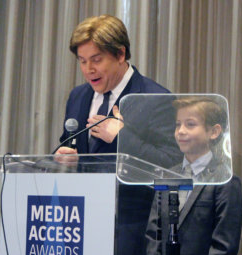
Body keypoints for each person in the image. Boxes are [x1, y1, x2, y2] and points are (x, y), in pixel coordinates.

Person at [56, 14, 181, 254]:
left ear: (120, 54)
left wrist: (122, 137)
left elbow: (170, 162)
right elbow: (70, 140)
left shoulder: (155, 98)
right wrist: (68, 156)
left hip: (131, 229)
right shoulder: (78, 95)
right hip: (81, 219)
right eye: (82, 61)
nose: (88, 70)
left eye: (96, 60)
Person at [146, 96, 242, 255]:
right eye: (178, 125)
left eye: (190, 124)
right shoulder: (169, 175)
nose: (181, 131)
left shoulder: (225, 180)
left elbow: (224, 246)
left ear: (214, 132)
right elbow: (154, 234)